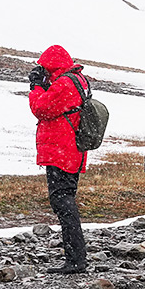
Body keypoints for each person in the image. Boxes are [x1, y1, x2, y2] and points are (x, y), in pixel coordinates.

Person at [28, 45, 90, 274]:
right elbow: (57, 105)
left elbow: (41, 108)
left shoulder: (65, 83)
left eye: (44, 68)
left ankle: (76, 260)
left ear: (52, 66)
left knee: (62, 201)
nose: (42, 71)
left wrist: (36, 87)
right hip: (70, 151)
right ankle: (76, 258)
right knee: (65, 200)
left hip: (62, 152)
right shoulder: (76, 79)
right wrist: (45, 85)